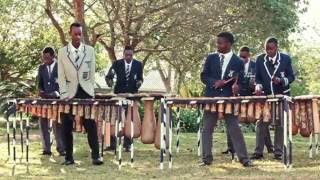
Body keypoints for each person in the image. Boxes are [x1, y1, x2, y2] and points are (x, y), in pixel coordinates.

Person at [200, 32, 252, 167]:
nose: (218, 45)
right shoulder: (211, 58)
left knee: (234, 128)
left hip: (228, 99)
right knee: (207, 128)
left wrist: (237, 87)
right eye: (217, 42)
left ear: (229, 44)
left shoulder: (238, 61)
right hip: (211, 97)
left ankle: (244, 159)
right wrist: (215, 82)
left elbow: (242, 82)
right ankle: (206, 158)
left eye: (220, 42)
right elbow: (204, 76)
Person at [57, 22, 103, 165]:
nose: (78, 36)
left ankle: (96, 156)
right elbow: (61, 74)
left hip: (86, 92)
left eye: (80, 34)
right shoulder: (62, 52)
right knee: (66, 126)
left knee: (91, 125)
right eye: (75, 33)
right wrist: (64, 93)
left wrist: (91, 91)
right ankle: (68, 157)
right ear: (70, 33)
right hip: (69, 93)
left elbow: (92, 73)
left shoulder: (89, 50)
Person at [222, 46, 274, 155]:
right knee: (230, 120)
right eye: (240, 56)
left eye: (244, 57)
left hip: (254, 98)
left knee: (262, 120)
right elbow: (229, 80)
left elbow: (262, 81)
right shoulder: (234, 66)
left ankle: (270, 147)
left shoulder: (256, 66)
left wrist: (256, 85)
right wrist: (234, 87)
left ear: (248, 56)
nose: (242, 59)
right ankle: (231, 148)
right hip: (239, 98)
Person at [251, 37, 295, 160]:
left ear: (276, 48)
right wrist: (258, 86)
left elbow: (291, 77)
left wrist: (281, 80)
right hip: (266, 96)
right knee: (261, 123)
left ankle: (278, 152)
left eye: (271, 49)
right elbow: (258, 77)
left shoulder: (285, 59)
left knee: (280, 124)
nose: (268, 51)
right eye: (266, 49)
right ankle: (258, 152)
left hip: (281, 96)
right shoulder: (260, 59)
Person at [105, 45, 143, 152]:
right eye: (126, 55)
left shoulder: (138, 65)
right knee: (114, 119)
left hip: (131, 95)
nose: (128, 57)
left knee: (129, 120)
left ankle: (128, 144)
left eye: (130, 55)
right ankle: (112, 144)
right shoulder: (116, 64)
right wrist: (109, 81)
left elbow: (140, 78)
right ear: (123, 54)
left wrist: (139, 83)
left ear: (133, 55)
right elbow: (109, 76)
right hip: (118, 95)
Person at [37, 46, 65, 156]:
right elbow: (40, 84)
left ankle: (61, 148)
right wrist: (41, 91)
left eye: (47, 58)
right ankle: (46, 149)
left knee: (57, 124)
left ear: (53, 56)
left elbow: (64, 84)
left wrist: (56, 93)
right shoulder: (41, 68)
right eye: (44, 58)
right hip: (45, 100)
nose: (45, 60)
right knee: (43, 123)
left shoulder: (61, 67)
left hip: (57, 100)